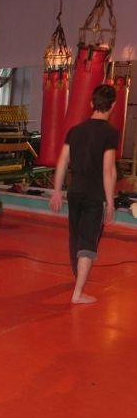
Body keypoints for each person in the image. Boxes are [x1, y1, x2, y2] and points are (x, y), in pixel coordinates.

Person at [49, 83, 118, 304]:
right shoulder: (110, 133)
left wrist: (57, 191)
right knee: (88, 241)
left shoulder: (75, 131)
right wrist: (110, 203)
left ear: (91, 103)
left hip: (75, 192)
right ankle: (78, 294)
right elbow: (108, 170)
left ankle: (77, 278)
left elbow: (62, 162)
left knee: (76, 237)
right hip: (94, 194)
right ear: (113, 106)